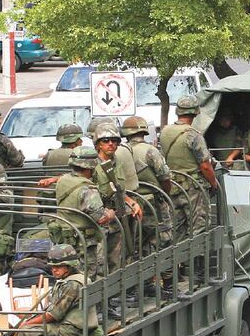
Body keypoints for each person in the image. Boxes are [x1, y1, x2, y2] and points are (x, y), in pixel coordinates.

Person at [15, 243, 101, 336]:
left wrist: (27, 323)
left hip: (72, 332)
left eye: (58, 267)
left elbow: (53, 315)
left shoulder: (72, 284)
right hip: (75, 328)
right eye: (52, 267)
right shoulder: (78, 279)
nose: (54, 270)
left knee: (25, 332)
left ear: (69, 266)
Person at [49, 146, 116, 280]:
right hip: (84, 242)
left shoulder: (63, 180)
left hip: (64, 239)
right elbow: (101, 218)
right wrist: (111, 213)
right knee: (87, 277)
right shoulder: (87, 189)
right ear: (90, 167)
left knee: (68, 274)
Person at [159, 95, 218, 238]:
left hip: (173, 186)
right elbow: (205, 166)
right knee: (199, 229)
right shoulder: (193, 135)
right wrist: (213, 183)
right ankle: (197, 253)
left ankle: (178, 253)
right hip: (193, 189)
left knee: (177, 229)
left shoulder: (165, 131)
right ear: (196, 113)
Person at [92, 124, 143, 271]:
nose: (110, 144)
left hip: (116, 217)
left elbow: (119, 190)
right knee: (100, 263)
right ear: (98, 144)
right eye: (105, 140)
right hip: (99, 219)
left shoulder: (117, 162)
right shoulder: (92, 164)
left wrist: (132, 203)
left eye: (114, 140)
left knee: (118, 260)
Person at [121, 115, 174, 249]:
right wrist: (167, 194)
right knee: (163, 237)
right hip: (154, 202)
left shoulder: (121, 151)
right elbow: (164, 177)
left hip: (131, 202)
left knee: (136, 242)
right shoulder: (151, 151)